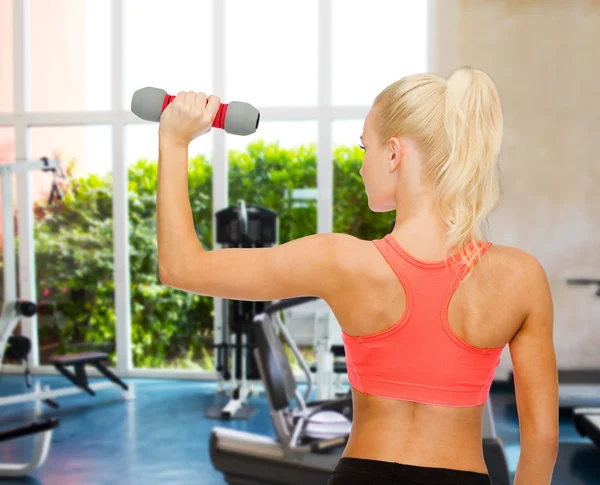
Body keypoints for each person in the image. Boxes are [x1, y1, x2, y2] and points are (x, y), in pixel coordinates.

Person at [155, 66, 559, 485]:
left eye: (365, 148)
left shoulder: (341, 261)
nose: (363, 166)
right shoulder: (520, 276)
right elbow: (543, 440)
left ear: (394, 153)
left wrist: (174, 138)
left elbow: (180, 267)